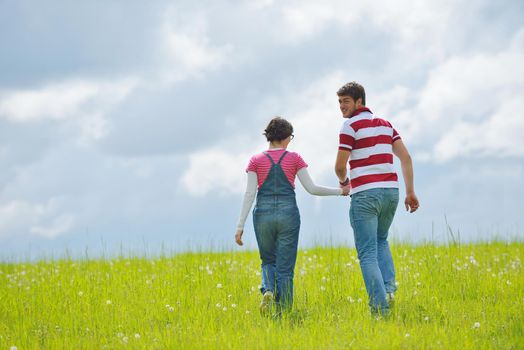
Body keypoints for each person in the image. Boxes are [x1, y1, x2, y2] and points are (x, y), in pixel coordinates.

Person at [235, 117, 349, 315]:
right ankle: (284, 313)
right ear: (286, 137)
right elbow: (312, 188)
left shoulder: (255, 160)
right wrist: (340, 191)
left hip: (263, 214)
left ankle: (269, 289)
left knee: (268, 260)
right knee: (285, 267)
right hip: (288, 214)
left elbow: (249, 194)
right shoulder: (294, 158)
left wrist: (240, 226)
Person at [334, 82, 419, 316]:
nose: (342, 106)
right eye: (339, 101)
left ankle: (380, 308)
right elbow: (406, 157)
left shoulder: (349, 126)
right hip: (391, 192)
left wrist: (344, 183)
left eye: (346, 101)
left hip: (365, 194)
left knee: (367, 252)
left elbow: (340, 165)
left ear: (359, 101)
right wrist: (410, 191)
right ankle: (389, 291)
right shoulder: (386, 124)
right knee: (381, 241)